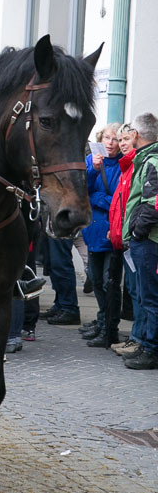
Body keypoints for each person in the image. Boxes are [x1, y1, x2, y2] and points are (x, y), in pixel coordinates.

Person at [81, 123, 123, 347]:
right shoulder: (92, 161)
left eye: (115, 139)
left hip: (111, 229)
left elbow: (118, 198)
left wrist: (96, 198)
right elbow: (81, 190)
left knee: (109, 282)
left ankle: (109, 327)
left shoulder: (123, 165)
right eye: (107, 138)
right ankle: (101, 319)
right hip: (93, 229)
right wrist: (92, 171)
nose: (110, 143)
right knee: (96, 280)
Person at [121, 113, 158, 370]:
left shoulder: (152, 161)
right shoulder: (145, 159)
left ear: (137, 135)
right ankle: (146, 344)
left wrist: (136, 233)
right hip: (144, 240)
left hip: (148, 242)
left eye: (130, 131)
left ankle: (151, 350)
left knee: (150, 298)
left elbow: (152, 205)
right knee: (146, 297)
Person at [109, 124, 144, 358]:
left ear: (137, 139)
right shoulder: (126, 166)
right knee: (133, 291)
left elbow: (136, 206)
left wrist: (128, 233)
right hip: (125, 239)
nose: (121, 143)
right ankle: (136, 337)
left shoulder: (136, 164)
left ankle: (140, 340)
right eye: (119, 139)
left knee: (139, 293)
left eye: (125, 139)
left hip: (135, 240)